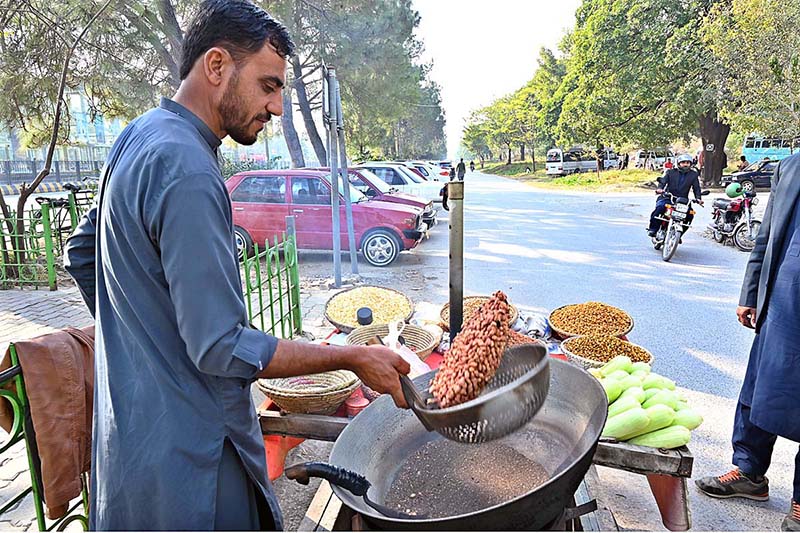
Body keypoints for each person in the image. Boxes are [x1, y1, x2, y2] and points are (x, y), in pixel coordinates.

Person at [63, 1, 410, 530]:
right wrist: (353, 358)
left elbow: (82, 253)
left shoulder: (139, 135)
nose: (276, 108)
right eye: (268, 86)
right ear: (218, 65)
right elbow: (221, 345)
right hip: (196, 462)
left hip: (132, 445)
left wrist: (143, 348)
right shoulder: (188, 168)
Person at [695, 153, 800, 532]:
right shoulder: (790, 167)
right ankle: (750, 472)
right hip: (782, 305)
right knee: (760, 389)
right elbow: (767, 235)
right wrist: (750, 292)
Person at [647, 153, 703, 237]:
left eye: (688, 163)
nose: (685, 164)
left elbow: (696, 188)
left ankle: (678, 235)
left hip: (683, 200)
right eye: (683, 162)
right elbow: (663, 181)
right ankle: (653, 229)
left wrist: (698, 198)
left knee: (690, 215)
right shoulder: (671, 172)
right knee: (660, 208)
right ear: (679, 163)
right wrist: (660, 189)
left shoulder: (693, 175)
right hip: (668, 197)